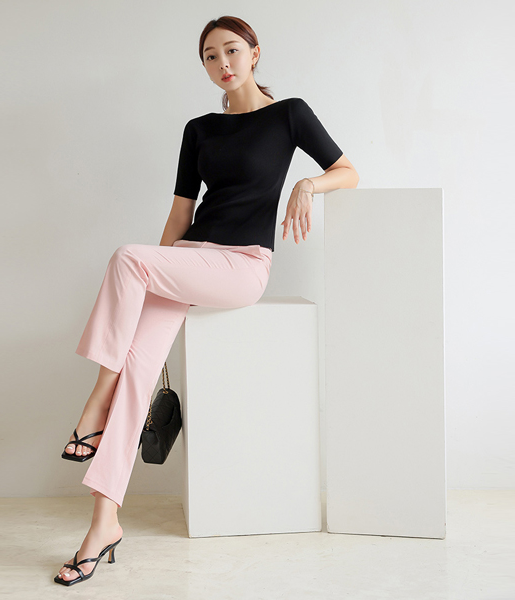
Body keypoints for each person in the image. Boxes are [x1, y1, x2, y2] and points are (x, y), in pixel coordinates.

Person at [54, 14, 359, 586]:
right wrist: (155, 280)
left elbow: (347, 171)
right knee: (136, 372)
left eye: (232, 51)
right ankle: (104, 524)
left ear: (254, 53)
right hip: (188, 259)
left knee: (127, 257)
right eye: (211, 56)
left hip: (242, 266)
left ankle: (93, 404)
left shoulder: (289, 115)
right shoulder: (199, 130)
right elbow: (179, 215)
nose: (223, 63)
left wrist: (307, 184)